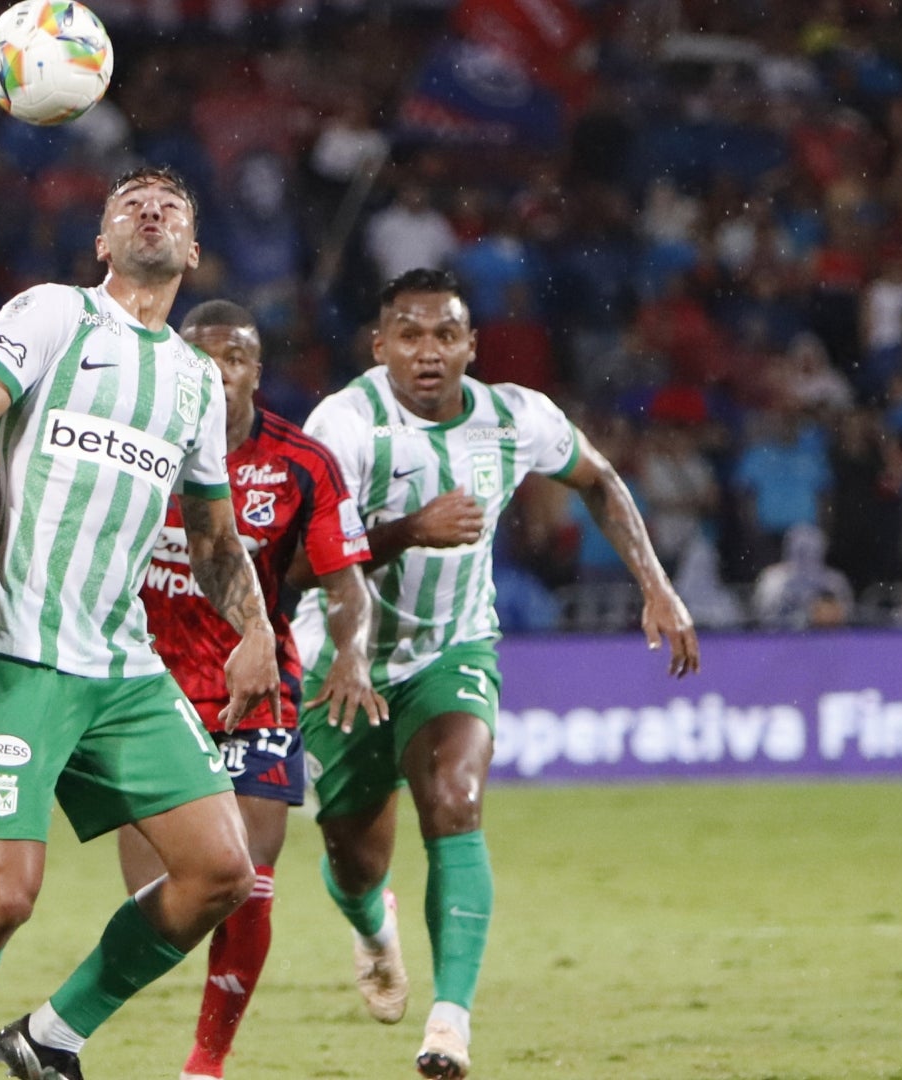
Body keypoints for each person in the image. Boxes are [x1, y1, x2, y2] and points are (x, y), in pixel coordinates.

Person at [0, 165, 282, 1080]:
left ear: (191, 249)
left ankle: (49, 1040)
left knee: (222, 874)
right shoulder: (52, 315)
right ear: (103, 242)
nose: (150, 211)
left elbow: (215, 536)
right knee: (2, 902)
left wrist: (256, 629)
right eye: (129, 204)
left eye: (172, 207)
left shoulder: (195, 382)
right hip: (17, 652)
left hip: (121, 665)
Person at [293, 268, 700, 1079]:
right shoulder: (342, 424)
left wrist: (656, 584)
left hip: (454, 646)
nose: (429, 352)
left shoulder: (516, 416)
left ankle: (449, 1024)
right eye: (409, 335)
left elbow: (600, 480)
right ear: (379, 348)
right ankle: (374, 928)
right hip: (343, 659)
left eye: (447, 334)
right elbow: (304, 559)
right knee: (352, 856)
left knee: (456, 798)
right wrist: (410, 530)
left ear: (472, 345)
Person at [122, 299, 384, 1080]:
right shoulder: (133, 450)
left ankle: (207, 1064)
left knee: (248, 879)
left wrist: (353, 656)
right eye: (200, 356)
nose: (216, 371)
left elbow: (348, 584)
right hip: (145, 690)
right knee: (170, 903)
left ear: (255, 371)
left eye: (233, 357)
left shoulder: (300, 462)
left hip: (256, 685)